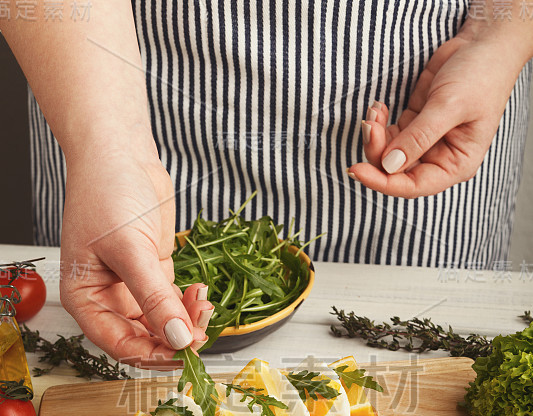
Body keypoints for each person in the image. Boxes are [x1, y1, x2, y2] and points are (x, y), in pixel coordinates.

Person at [3, 0, 532, 368]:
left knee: (432, 351)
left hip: (433, 102)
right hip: (111, 86)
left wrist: (500, 36)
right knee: (109, 312)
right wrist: (112, 150)